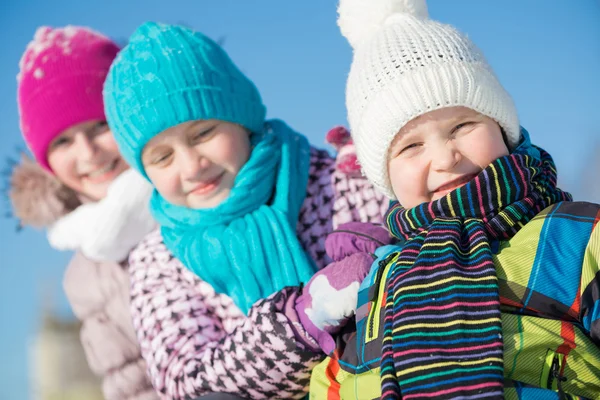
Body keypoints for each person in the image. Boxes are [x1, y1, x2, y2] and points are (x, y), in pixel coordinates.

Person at [307, 0, 600, 398]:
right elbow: (341, 382)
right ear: (385, 177)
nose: (445, 157)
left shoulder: (574, 239)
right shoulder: (376, 279)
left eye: (462, 125)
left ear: (502, 127)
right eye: (410, 147)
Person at [102, 22, 389, 399]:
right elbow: (186, 381)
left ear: (242, 119)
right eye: (163, 156)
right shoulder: (159, 260)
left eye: (203, 133)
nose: (191, 167)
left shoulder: (337, 181)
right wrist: (300, 323)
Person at [10, 26, 159, 400]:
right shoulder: (87, 273)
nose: (88, 153)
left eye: (100, 126)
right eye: (63, 140)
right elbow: (130, 383)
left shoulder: (197, 193)